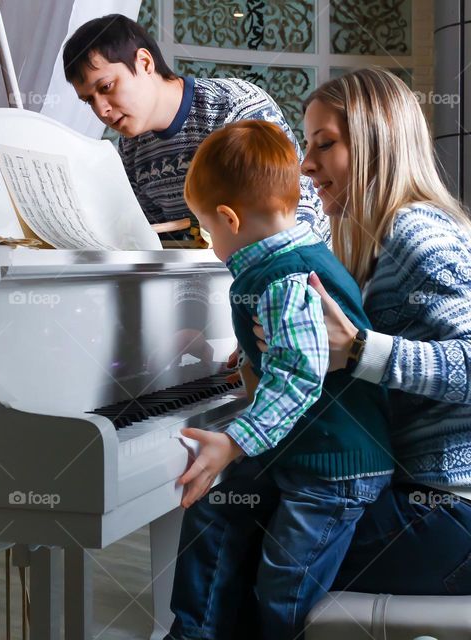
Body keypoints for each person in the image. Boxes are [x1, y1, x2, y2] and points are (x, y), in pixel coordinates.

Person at [242, 66, 471, 600]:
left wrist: (358, 349)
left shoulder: (416, 232)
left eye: (325, 144)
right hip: (453, 504)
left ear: (375, 144)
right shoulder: (379, 237)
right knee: (251, 516)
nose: (306, 165)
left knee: (245, 537)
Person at [165, 120, 395, 640]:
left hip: (334, 470)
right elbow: (294, 346)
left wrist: (234, 441)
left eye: (207, 231)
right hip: (302, 452)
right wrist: (247, 356)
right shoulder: (287, 258)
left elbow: (296, 378)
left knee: (284, 586)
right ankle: (195, 631)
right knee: (217, 506)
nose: (210, 243)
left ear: (229, 217)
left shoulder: (283, 278)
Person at [62, 14, 330, 244]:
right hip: (211, 283)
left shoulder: (234, 106)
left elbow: (295, 216)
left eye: (106, 87)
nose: (101, 110)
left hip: (300, 282)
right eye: (89, 101)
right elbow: (153, 238)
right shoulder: (133, 147)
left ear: (144, 63)